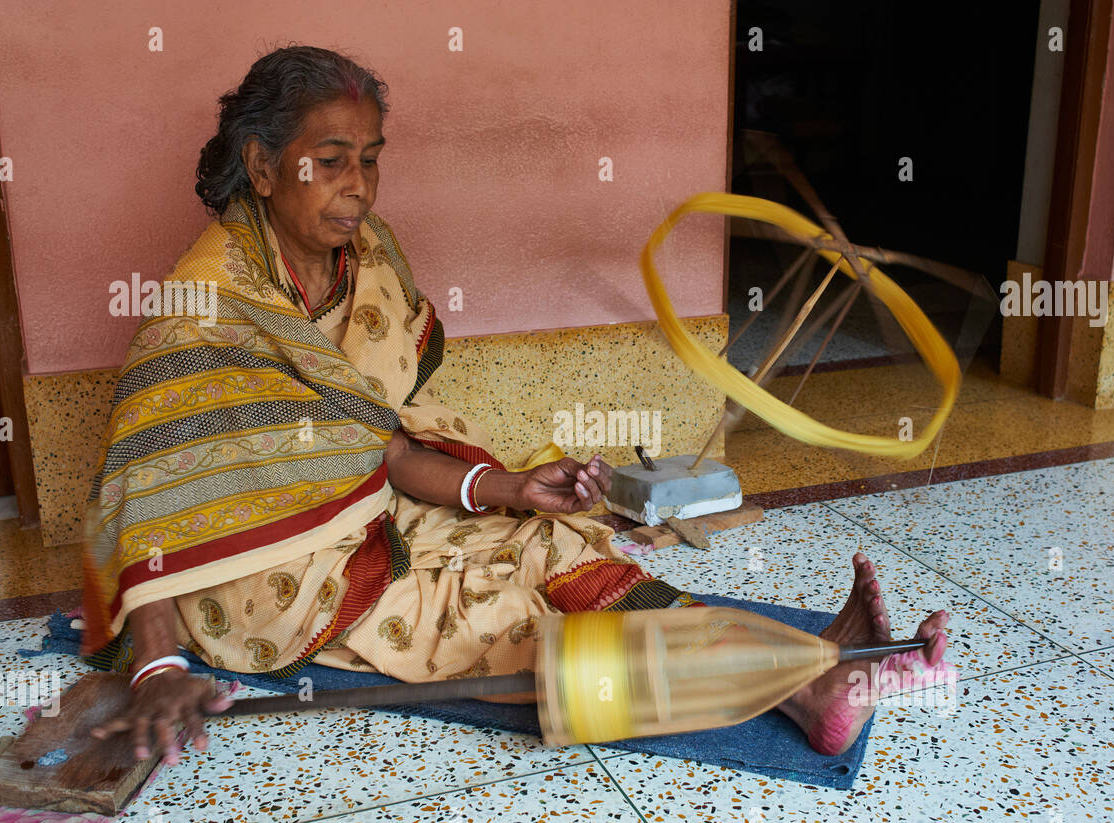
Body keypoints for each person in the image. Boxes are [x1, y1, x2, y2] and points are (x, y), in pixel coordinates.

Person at [88, 46, 950, 767]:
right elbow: (149, 503)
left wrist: (512, 490)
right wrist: (156, 662)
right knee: (490, 612)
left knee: (548, 535)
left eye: (372, 157)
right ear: (264, 166)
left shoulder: (364, 255)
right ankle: (801, 687)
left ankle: (798, 660)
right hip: (277, 572)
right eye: (331, 159)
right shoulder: (209, 302)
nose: (358, 186)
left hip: (375, 504)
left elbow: (376, 447)